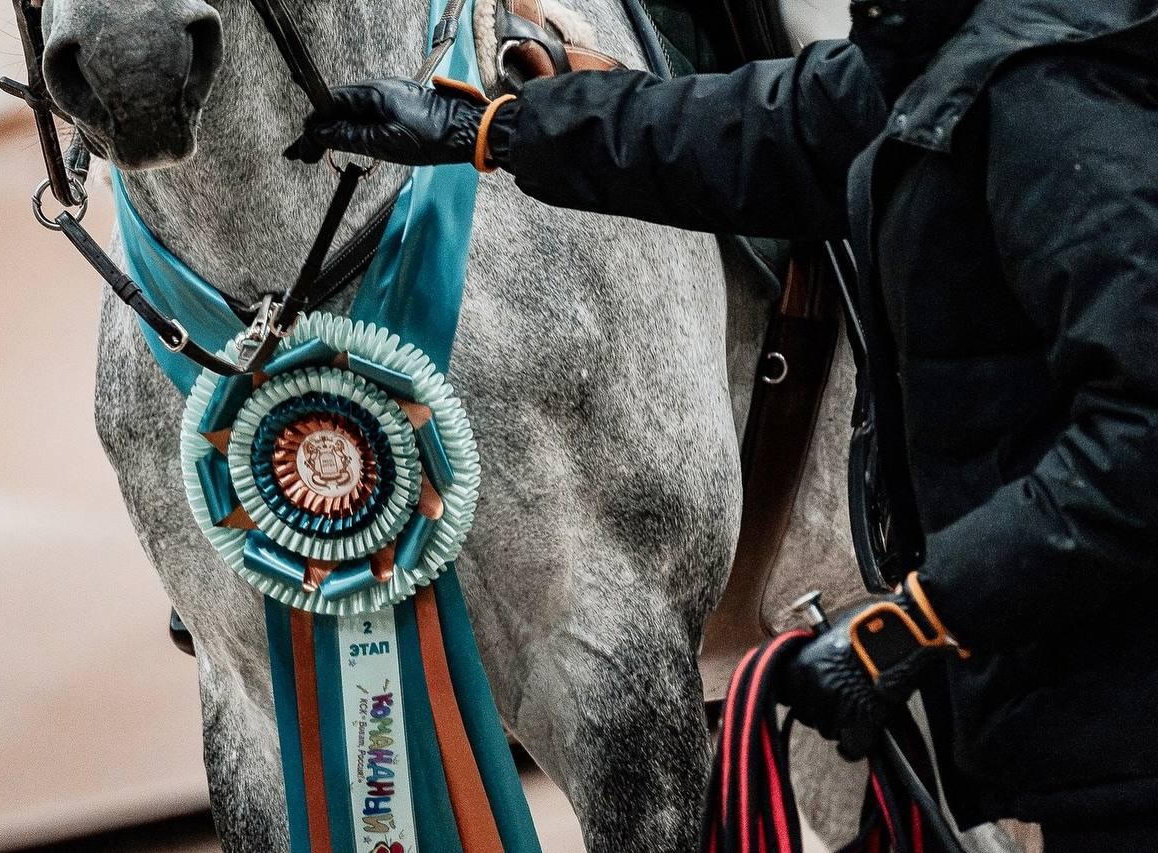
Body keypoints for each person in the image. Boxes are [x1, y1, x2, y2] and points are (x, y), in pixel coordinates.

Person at [300, 0, 1158, 849]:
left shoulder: (1052, 92)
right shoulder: (945, 52)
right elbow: (754, 131)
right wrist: (489, 131)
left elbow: (1140, 446)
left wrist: (919, 615)